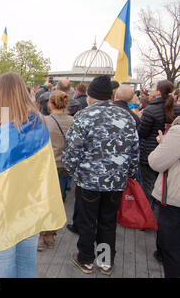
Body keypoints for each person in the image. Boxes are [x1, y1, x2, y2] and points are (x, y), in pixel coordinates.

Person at [0, 73, 66, 278]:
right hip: (30, 211)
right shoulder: (39, 125)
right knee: (26, 271)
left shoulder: (1, 134)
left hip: (4, 216)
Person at [63, 75, 140, 276]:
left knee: (88, 221)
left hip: (89, 180)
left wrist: (73, 172)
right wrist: (128, 174)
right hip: (116, 181)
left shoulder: (84, 116)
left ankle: (86, 260)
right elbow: (134, 150)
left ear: (91, 96)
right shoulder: (126, 116)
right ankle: (105, 262)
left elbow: (73, 150)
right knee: (108, 221)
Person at [38, 91, 74, 252]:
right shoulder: (73, 121)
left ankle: (39, 235)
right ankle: (50, 235)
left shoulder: (44, 121)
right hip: (64, 166)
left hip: (46, 164)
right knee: (56, 200)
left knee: (41, 200)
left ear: (50, 104)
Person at [138, 81, 180, 207]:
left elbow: (142, 133)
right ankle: (159, 213)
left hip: (150, 154)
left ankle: (148, 216)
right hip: (172, 155)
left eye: (153, 87)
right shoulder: (177, 108)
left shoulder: (150, 109)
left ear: (158, 92)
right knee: (166, 186)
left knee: (148, 187)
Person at [149, 117, 180, 278]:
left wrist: (163, 144)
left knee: (172, 248)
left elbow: (156, 162)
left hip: (175, 198)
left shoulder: (177, 132)